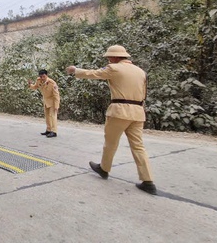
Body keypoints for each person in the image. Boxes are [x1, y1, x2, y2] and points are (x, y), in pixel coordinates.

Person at [66, 45, 157, 195]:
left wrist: (75, 70)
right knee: (138, 146)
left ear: (115, 57)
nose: (108, 59)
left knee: (110, 143)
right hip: (138, 113)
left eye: (109, 57)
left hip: (119, 111)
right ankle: (148, 181)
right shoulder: (141, 72)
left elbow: (93, 74)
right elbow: (144, 93)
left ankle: (104, 169)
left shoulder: (114, 68)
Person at [28, 69, 60, 138]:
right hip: (45, 101)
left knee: (53, 116)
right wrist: (30, 85)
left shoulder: (52, 83)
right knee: (47, 116)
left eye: (43, 76)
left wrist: (57, 106)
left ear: (46, 75)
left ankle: (54, 132)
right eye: (41, 76)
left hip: (52, 101)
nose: (42, 78)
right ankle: (48, 130)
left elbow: (56, 95)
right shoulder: (39, 80)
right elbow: (35, 87)